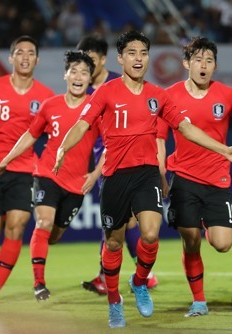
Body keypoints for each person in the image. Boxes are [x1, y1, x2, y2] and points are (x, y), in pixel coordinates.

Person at [54, 30, 232, 328]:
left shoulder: (158, 96)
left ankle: (139, 282)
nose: (138, 59)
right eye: (132, 53)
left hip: (147, 173)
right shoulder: (106, 93)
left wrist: (224, 149)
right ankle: (114, 302)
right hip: (115, 177)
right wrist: (62, 148)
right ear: (120, 58)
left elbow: (186, 129)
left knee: (150, 235)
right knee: (113, 244)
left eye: (143, 53)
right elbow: (82, 124)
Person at [165, 36, 232, 318]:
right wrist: (158, 170)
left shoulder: (227, 95)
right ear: (186, 63)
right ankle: (199, 301)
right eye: (198, 60)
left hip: (217, 179)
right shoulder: (171, 95)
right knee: (191, 239)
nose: (203, 65)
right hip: (184, 177)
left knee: (223, 244)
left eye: (209, 61)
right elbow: (157, 135)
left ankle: (201, 219)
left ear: (215, 66)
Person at [0, 51, 100, 301]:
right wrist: (6, 160)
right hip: (47, 173)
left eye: (84, 72)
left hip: (77, 184)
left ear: (90, 79)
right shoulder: (51, 105)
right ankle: (39, 283)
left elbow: (112, 144)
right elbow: (30, 135)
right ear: (65, 75)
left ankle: (44, 253)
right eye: (74, 71)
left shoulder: (96, 108)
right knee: (43, 223)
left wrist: (96, 173)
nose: (78, 76)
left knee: (54, 235)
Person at [0, 35, 55, 305]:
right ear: (11, 58)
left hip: (25, 170)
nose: (25, 57)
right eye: (19, 52)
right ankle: (3, 214)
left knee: (17, 226)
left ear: (37, 60)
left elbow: (57, 132)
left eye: (30, 53)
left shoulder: (45, 96)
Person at [76, 35, 159, 295]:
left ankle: (117, 276)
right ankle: (142, 275)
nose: (85, 67)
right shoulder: (84, 87)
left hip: (124, 161)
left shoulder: (119, 83)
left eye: (90, 60)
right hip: (106, 160)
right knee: (123, 223)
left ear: (103, 59)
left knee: (123, 223)